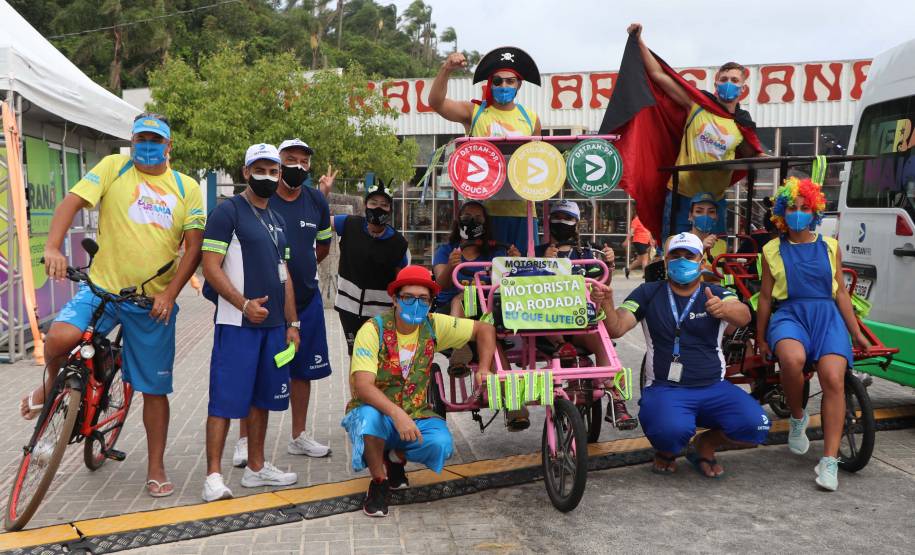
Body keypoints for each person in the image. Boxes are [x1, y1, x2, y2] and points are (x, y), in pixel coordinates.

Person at [29, 112, 204, 498]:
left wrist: (170, 294)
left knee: (154, 390)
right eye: (141, 138)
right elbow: (71, 203)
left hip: (150, 302)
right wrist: (54, 247)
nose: (147, 146)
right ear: (131, 140)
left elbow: (194, 247)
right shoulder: (113, 166)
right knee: (58, 339)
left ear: (168, 146)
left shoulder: (186, 187)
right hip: (102, 288)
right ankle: (53, 387)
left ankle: (156, 467)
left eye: (155, 140)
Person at [594, 232, 770, 477]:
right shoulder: (648, 292)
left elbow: (744, 315)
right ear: (665, 261)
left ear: (701, 261)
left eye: (689, 255)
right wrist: (607, 304)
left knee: (757, 426)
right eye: (675, 255)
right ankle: (667, 450)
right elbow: (616, 327)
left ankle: (704, 445)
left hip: (714, 387)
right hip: (666, 388)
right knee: (671, 432)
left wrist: (724, 309)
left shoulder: (714, 292)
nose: (682, 260)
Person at [341, 265, 497, 517]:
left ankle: (394, 456)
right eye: (408, 298)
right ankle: (379, 483)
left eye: (423, 299)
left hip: (415, 412)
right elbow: (363, 385)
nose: (416, 304)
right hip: (375, 411)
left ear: (431, 302)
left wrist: (485, 369)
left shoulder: (433, 326)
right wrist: (396, 413)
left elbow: (484, 329)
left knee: (441, 444)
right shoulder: (373, 330)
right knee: (370, 420)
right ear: (394, 299)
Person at [756, 178, 871, 491]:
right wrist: (761, 336)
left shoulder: (830, 246)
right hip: (790, 315)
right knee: (792, 360)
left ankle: (830, 461)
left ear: (815, 211)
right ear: (782, 211)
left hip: (827, 317)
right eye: (792, 207)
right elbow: (766, 298)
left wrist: (856, 332)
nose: (798, 213)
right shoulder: (771, 250)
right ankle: (797, 416)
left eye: (805, 207)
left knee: (834, 379)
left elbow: (842, 295)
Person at [200, 144, 300, 502]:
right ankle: (213, 476)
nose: (269, 177)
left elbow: (284, 274)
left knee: (261, 401)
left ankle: (256, 469)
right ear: (245, 172)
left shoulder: (276, 218)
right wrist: (242, 305)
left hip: (273, 328)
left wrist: (293, 323)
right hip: (236, 325)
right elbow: (209, 267)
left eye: (274, 171)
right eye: (260, 170)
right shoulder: (227, 213)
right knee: (225, 402)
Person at [231, 139, 334, 468]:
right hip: (265, 305)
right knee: (254, 372)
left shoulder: (317, 200)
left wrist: (298, 271)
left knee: (302, 371)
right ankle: (244, 442)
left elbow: (322, 248)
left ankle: (299, 435)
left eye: (304, 162)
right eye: (291, 160)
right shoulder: (261, 198)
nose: (298, 167)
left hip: (306, 299)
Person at [627, 23, 763, 239]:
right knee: (674, 250)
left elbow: (753, 156)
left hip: (715, 200)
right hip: (682, 194)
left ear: (743, 88)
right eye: (724, 79)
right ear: (716, 83)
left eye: (734, 80)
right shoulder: (697, 104)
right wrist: (638, 41)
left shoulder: (741, 123)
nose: (728, 84)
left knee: (714, 258)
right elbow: (658, 74)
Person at [429, 47, 543, 252]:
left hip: (524, 212)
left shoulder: (531, 118)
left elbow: (538, 162)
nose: (504, 85)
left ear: (519, 84)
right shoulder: (475, 112)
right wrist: (447, 69)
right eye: (498, 81)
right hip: (483, 213)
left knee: (524, 273)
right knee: (487, 275)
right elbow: (436, 103)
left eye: (510, 81)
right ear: (490, 84)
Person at [536, 200, 637, 430]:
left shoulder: (590, 252)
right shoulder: (536, 252)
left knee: (603, 341)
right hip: (545, 327)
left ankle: (616, 400)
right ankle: (563, 348)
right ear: (549, 221)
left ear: (577, 223)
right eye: (557, 217)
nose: (562, 222)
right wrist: (544, 265)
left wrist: (609, 265)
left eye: (567, 218)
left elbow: (602, 284)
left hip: (581, 323)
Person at [334, 180, 410, 354]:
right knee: (356, 356)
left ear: (390, 209)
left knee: (378, 357)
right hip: (348, 308)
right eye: (373, 203)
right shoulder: (349, 224)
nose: (378, 208)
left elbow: (403, 281)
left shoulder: (399, 243)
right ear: (365, 204)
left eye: (384, 205)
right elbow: (320, 221)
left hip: (381, 313)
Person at [432, 200, 518, 317]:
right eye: (467, 217)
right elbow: (441, 285)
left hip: (486, 306)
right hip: (448, 308)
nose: (472, 221)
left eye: (478, 219)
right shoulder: (446, 251)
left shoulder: (496, 253)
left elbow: (506, 286)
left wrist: (515, 263)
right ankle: (458, 333)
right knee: (461, 299)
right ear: (458, 221)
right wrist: (450, 266)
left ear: (485, 224)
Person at [687, 192, 729, 282]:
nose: (705, 216)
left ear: (716, 217)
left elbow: (726, 278)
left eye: (711, 212)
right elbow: (680, 274)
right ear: (690, 216)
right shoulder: (679, 240)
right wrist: (702, 248)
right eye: (699, 211)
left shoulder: (721, 244)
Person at [624, 215, 654, 279]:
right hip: (638, 241)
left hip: (646, 241)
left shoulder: (646, 219)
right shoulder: (636, 220)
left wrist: (651, 241)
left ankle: (628, 269)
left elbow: (649, 231)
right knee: (645, 258)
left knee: (640, 260)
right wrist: (627, 240)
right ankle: (646, 275)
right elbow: (631, 231)